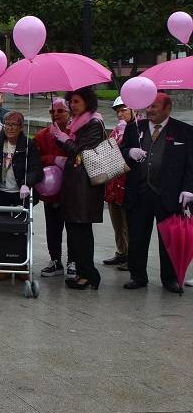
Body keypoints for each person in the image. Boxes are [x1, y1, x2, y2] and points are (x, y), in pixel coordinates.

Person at [121, 92, 193, 294]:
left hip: (169, 193)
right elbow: (122, 150)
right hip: (140, 191)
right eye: (148, 106)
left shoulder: (184, 131)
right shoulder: (135, 128)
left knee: (169, 237)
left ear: (167, 108)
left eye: (155, 106)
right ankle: (137, 275)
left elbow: (191, 164)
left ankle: (170, 278)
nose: (149, 110)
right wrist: (129, 152)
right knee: (137, 236)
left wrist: (189, 189)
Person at [53, 87, 106, 291]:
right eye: (71, 102)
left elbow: (82, 155)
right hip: (75, 185)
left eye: (76, 101)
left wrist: (64, 138)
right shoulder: (78, 124)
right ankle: (84, 272)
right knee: (75, 231)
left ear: (87, 102)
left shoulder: (93, 123)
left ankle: (89, 274)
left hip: (85, 187)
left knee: (81, 231)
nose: (72, 106)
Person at [34, 98, 74, 279]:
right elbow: (36, 159)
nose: (56, 115)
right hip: (50, 189)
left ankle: (73, 260)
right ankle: (55, 260)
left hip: (73, 188)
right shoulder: (42, 135)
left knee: (74, 227)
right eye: (53, 112)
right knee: (53, 227)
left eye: (60, 111)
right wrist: (52, 159)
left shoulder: (75, 133)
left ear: (69, 113)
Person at [0, 111, 43, 207]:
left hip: (20, 193)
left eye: (14, 124)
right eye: (7, 124)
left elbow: (36, 170)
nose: (10, 128)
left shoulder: (28, 144)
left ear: (21, 127)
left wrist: (27, 183)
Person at [104, 97, 133, 268]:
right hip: (113, 183)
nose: (120, 114)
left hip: (127, 183)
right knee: (117, 222)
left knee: (128, 223)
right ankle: (121, 252)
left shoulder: (137, 129)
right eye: (118, 111)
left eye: (124, 110)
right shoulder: (116, 130)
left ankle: (132, 255)